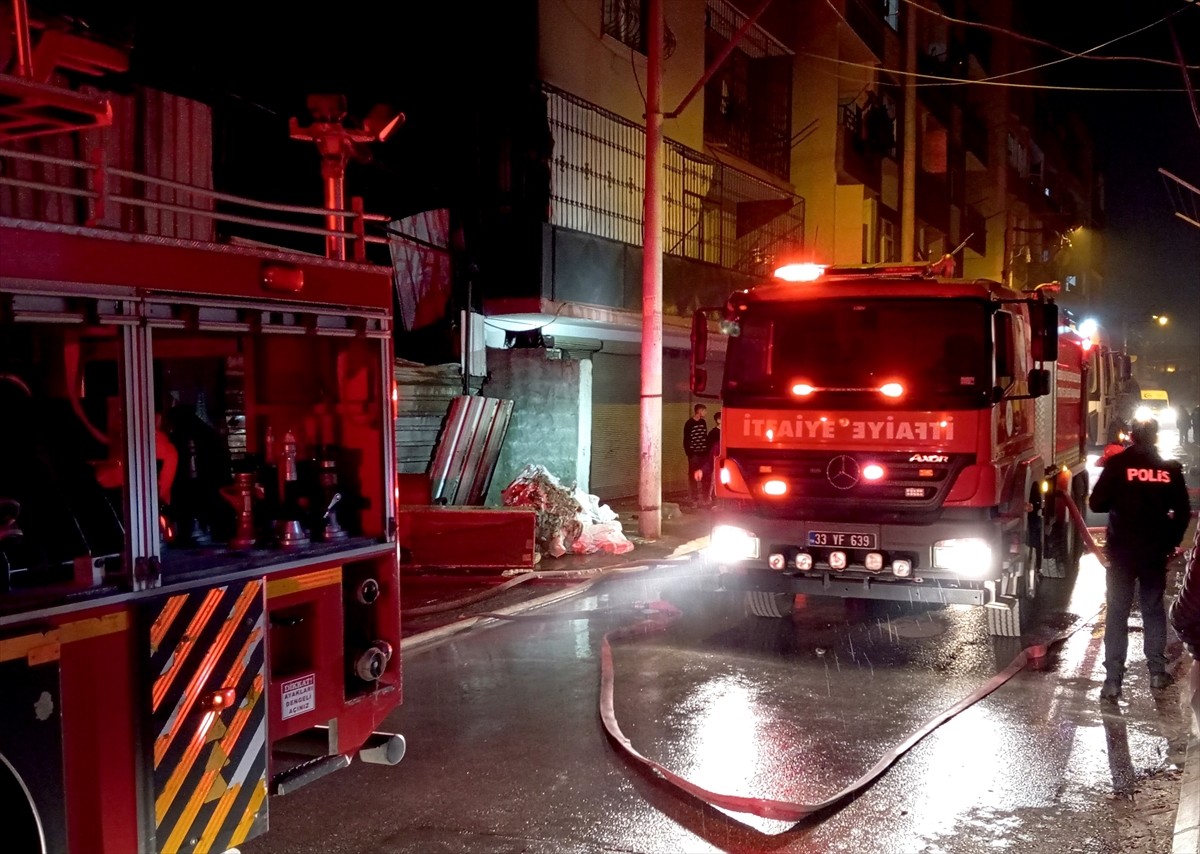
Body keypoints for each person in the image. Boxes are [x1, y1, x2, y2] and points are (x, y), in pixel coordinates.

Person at [1089, 418, 1191, 700]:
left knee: (1118, 613)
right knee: (1153, 609)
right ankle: (1157, 673)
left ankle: (1112, 681)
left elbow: (1096, 503)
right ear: (1155, 436)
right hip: (1154, 552)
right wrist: (1170, 541)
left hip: (1121, 551)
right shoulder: (1169, 469)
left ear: (1132, 436)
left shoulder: (1118, 465)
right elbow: (1182, 512)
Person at [683, 404, 709, 507]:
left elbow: (704, 436)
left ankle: (704, 498)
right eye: (704, 411)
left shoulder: (703, 422)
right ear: (699, 411)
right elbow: (686, 439)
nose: (705, 413)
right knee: (693, 476)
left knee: (704, 476)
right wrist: (689, 453)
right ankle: (694, 499)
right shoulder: (689, 423)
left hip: (703, 453)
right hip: (694, 454)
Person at [705, 411, 722, 505]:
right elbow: (710, 447)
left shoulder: (725, 431)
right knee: (713, 479)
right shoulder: (713, 433)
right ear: (718, 420)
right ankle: (710, 497)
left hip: (721, 459)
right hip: (715, 458)